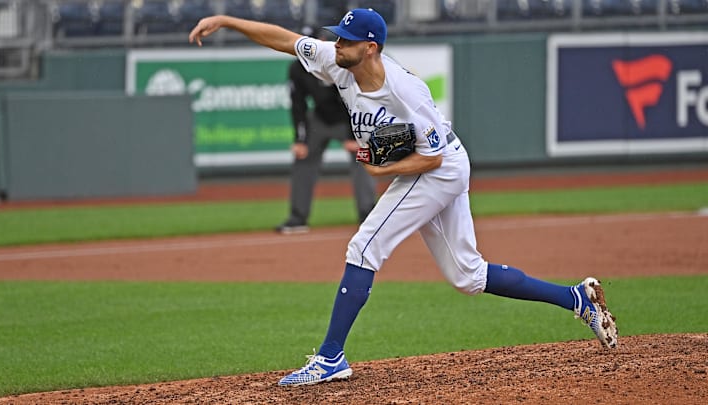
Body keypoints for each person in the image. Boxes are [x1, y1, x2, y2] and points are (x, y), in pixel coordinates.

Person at [189, 8, 618, 387]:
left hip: (440, 166)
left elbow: (431, 161)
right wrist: (226, 21)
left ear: (370, 48)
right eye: (337, 36)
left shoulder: (405, 91)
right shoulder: (337, 61)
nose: (336, 44)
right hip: (436, 163)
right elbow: (284, 39)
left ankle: (330, 357)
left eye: (346, 39)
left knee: (364, 246)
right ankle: (576, 298)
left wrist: (382, 169)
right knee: (468, 276)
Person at [276, 26, 376, 234]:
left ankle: (368, 215)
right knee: (303, 158)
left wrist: (353, 135)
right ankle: (297, 217)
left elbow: (357, 100)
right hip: (320, 118)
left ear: (321, 42)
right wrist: (300, 139)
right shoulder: (297, 68)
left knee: (363, 158)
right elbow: (298, 105)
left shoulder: (338, 61)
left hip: (349, 118)